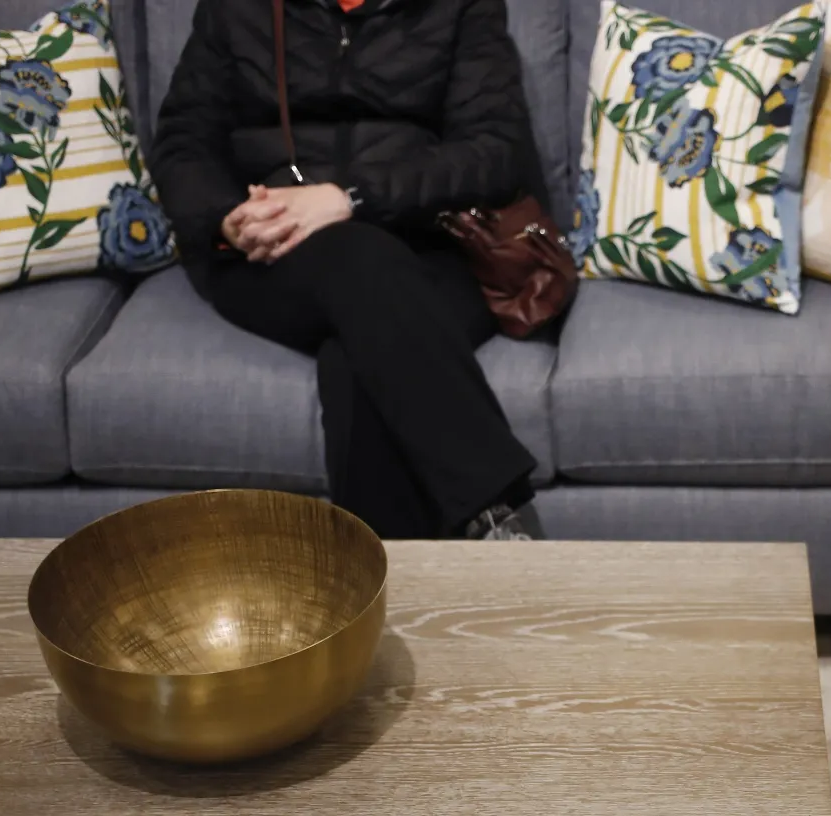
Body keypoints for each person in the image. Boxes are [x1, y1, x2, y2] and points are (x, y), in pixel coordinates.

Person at [150, 0, 543, 541]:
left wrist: (350, 196)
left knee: (354, 363)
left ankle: (381, 580)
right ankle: (499, 513)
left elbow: (494, 152)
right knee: (361, 261)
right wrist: (228, 218)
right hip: (274, 250)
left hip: (427, 245)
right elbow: (183, 142)